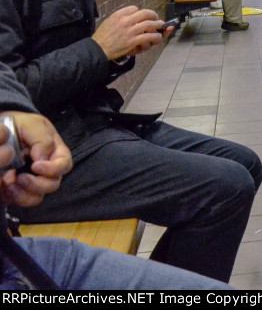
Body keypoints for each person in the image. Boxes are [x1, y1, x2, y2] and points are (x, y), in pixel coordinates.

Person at [0, 0, 262, 283]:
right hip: (43, 161)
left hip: (87, 125)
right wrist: (98, 49)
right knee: (226, 188)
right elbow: (12, 90)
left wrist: (117, 52)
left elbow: (70, 66)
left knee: (245, 164)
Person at [0, 83, 232, 290]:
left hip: (91, 122)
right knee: (224, 187)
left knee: (237, 171)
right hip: (79, 138)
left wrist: (11, 108)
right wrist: (98, 51)